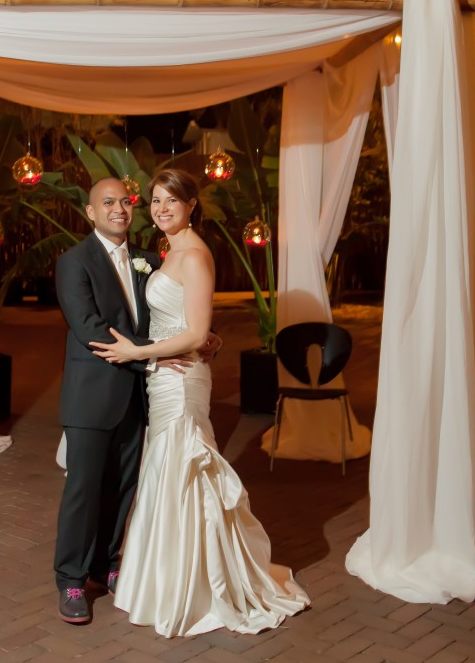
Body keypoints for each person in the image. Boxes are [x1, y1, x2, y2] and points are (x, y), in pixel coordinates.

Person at [91, 169, 310, 637]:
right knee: (169, 472)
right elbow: (193, 329)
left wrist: (138, 352)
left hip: (181, 380)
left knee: (186, 469)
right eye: (155, 200)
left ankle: (196, 586)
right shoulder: (170, 254)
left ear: (192, 205)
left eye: (172, 200)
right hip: (166, 376)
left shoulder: (194, 256)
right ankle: (172, 577)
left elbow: (191, 333)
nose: (162, 208)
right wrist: (197, 341)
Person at [52, 177, 217, 625]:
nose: (120, 209)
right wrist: (157, 355)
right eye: (108, 203)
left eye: (125, 202)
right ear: (91, 212)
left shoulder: (148, 260)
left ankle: (107, 566)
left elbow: (173, 319)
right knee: (83, 491)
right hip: (92, 396)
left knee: (123, 490)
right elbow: (90, 330)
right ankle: (70, 579)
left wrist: (194, 341)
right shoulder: (74, 262)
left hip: (139, 398)